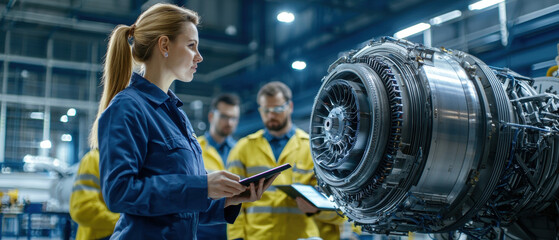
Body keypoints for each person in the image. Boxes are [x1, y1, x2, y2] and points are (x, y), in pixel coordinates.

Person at [94, 4, 276, 239]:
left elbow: (177, 210)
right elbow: (119, 193)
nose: (199, 56)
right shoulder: (127, 107)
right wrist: (203, 187)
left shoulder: (175, 114)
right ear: (164, 45)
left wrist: (226, 200)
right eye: (191, 46)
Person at [227, 81, 344, 240]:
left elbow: (340, 210)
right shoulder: (243, 149)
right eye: (266, 110)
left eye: (277, 109)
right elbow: (232, 200)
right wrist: (236, 238)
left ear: (290, 106)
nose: (271, 115)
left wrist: (317, 210)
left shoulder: (314, 150)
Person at [197, 93, 241, 240]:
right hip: (202, 232)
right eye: (224, 116)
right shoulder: (196, 149)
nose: (229, 122)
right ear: (211, 116)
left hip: (233, 233)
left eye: (233, 118)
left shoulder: (241, 151)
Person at [69, 149, 119, 240]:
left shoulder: (128, 162)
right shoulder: (94, 159)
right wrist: (120, 221)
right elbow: (83, 208)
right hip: (99, 236)